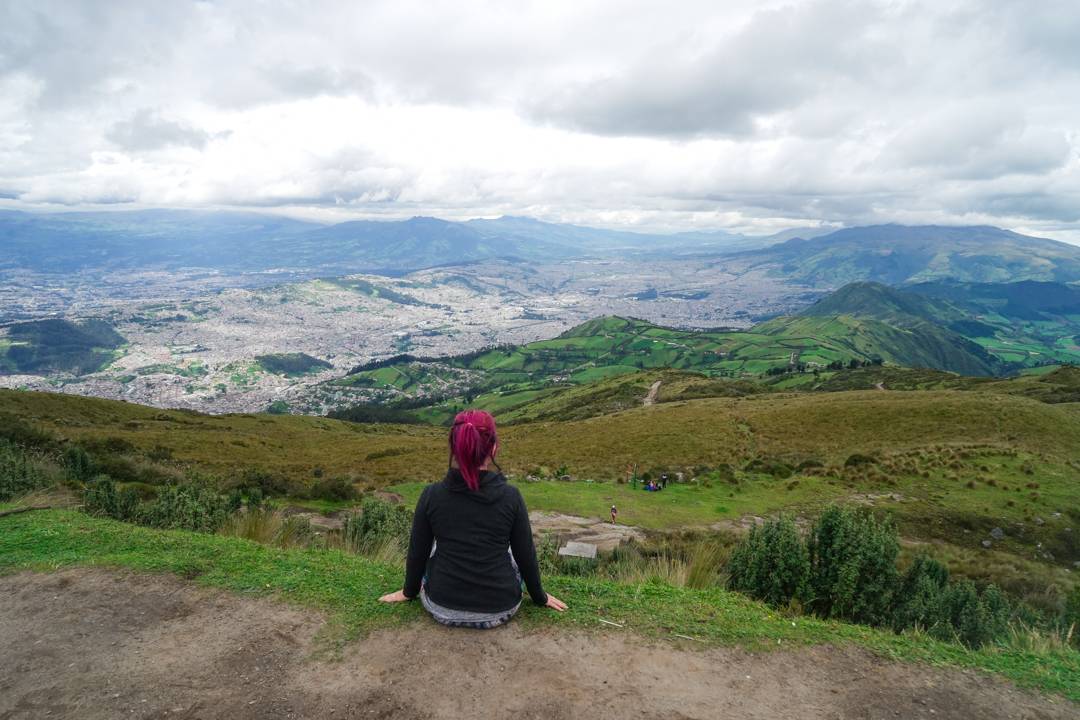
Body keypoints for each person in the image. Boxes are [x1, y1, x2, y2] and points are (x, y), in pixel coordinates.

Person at [379, 409, 567, 628]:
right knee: (507, 551)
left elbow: (417, 552)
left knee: (435, 548)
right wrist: (539, 597)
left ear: (453, 446)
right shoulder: (511, 496)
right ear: (494, 447)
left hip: (441, 605)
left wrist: (408, 592)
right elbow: (525, 554)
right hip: (501, 606)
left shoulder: (431, 495)